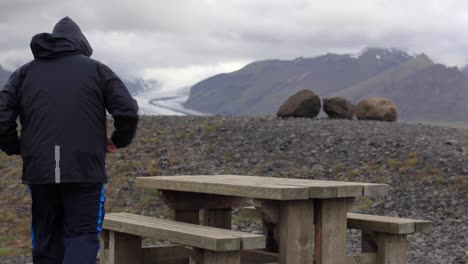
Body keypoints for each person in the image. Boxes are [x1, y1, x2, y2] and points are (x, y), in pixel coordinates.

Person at [0, 17, 139, 264]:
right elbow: (127, 110)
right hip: (84, 169)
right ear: (80, 44)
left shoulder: (24, 73)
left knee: (46, 236)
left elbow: (1, 114)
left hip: (41, 169)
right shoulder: (97, 70)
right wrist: (118, 140)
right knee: (82, 235)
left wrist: (15, 147)